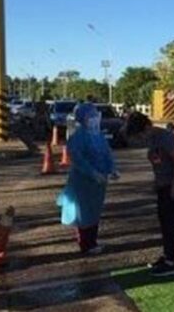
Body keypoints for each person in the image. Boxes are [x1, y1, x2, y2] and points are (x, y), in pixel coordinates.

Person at [125, 112, 174, 277]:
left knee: (170, 224)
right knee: (164, 222)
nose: (140, 138)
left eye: (141, 134)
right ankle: (167, 255)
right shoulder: (152, 139)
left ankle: (171, 262)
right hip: (163, 185)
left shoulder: (165, 137)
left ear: (147, 126)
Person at [57, 103, 116, 255]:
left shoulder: (98, 136)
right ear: (83, 119)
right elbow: (78, 159)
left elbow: (107, 154)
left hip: (99, 182)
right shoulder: (77, 137)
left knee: (95, 212)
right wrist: (93, 173)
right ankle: (85, 244)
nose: (95, 119)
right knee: (83, 213)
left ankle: (93, 242)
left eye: (95, 116)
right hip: (83, 182)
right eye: (91, 117)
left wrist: (112, 169)